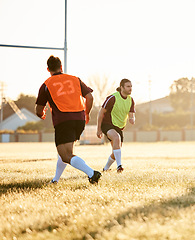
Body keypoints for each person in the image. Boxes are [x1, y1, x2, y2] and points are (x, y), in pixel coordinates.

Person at [35, 55, 101, 184]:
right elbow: (90, 97)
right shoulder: (75, 79)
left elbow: (38, 110)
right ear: (61, 67)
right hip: (79, 119)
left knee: (66, 155)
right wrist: (87, 113)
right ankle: (55, 180)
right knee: (66, 152)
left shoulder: (46, 84)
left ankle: (92, 173)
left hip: (63, 120)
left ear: (48, 69)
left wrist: (42, 114)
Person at [96, 79, 135, 173]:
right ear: (122, 87)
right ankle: (119, 166)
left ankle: (105, 168)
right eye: (128, 86)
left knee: (116, 151)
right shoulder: (112, 98)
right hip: (107, 124)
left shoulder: (131, 100)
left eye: (131, 86)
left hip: (119, 127)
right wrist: (99, 129)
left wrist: (132, 119)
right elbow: (101, 113)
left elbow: (132, 114)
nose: (130, 89)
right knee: (116, 138)